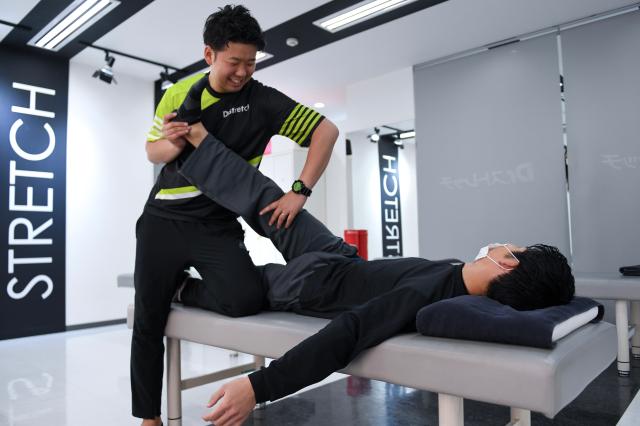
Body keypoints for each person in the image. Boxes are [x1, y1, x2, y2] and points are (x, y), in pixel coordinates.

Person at [174, 123, 575, 426]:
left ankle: (177, 287)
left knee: (238, 289)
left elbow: (349, 331)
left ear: (508, 263)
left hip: (309, 284)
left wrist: (257, 386)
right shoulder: (460, 274)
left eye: (513, 248)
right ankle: (193, 146)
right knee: (269, 198)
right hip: (338, 257)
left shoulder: (430, 294)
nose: (504, 244)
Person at [132, 6, 344, 425]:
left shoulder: (262, 100)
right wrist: (174, 143)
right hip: (162, 221)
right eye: (234, 62)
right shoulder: (179, 93)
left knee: (244, 300)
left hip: (216, 224)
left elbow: (326, 131)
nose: (243, 72)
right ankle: (148, 417)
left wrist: (299, 191)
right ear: (209, 54)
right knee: (148, 319)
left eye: (251, 62)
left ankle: (183, 289)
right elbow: (153, 151)